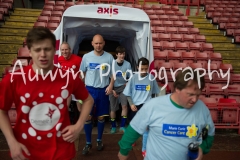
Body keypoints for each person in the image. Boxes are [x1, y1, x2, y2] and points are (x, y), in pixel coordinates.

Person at [0, 27, 94, 160]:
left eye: (47, 49)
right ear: (30, 52)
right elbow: (1, 110)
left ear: (54, 51)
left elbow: (88, 100)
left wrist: (79, 126)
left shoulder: (69, 77)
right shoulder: (12, 79)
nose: (42, 54)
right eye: (37, 50)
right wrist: (11, 141)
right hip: (25, 151)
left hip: (61, 151)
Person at [118, 69, 215, 160]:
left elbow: (209, 134)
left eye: (198, 95)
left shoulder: (202, 109)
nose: (195, 99)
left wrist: (202, 148)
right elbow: (134, 129)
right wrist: (124, 151)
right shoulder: (153, 106)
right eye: (191, 94)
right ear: (177, 89)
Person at [80, 34, 114, 155]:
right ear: (92, 43)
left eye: (100, 43)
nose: (98, 45)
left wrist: (110, 86)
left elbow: (113, 74)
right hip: (89, 90)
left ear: (103, 43)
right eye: (96, 43)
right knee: (88, 117)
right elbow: (82, 73)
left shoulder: (109, 57)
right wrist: (81, 87)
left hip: (103, 90)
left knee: (101, 117)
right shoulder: (86, 57)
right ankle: (88, 143)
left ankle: (99, 140)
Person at [122, 57, 160, 157]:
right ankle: (133, 139)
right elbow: (128, 93)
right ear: (137, 67)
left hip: (147, 106)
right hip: (135, 105)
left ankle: (144, 149)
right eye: (141, 69)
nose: (143, 71)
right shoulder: (133, 78)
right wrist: (131, 104)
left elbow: (155, 93)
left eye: (145, 69)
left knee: (146, 128)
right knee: (134, 126)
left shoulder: (151, 78)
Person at [109, 46, 132, 134]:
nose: (122, 56)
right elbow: (110, 78)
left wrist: (128, 83)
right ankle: (113, 126)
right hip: (113, 87)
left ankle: (122, 126)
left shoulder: (128, 64)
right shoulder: (112, 63)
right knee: (113, 108)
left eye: (123, 54)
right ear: (117, 55)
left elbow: (130, 77)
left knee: (124, 106)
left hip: (123, 87)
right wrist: (112, 90)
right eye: (120, 54)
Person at [58, 42, 83, 113]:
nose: (64, 52)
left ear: (70, 49)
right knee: (65, 107)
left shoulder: (78, 59)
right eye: (62, 50)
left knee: (80, 108)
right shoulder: (59, 60)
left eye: (66, 49)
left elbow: (83, 72)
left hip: (77, 87)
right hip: (66, 87)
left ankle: (85, 123)